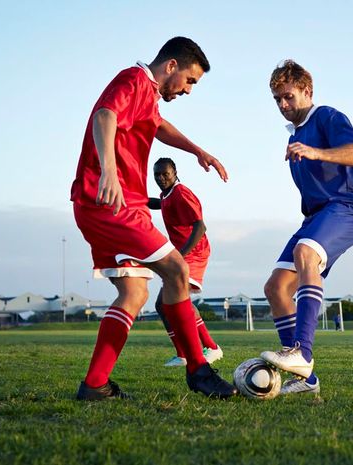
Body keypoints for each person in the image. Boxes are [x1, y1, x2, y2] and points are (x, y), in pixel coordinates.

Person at [70, 37, 237, 400]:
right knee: (177, 271)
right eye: (190, 81)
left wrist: (198, 151)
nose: (189, 90)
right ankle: (198, 369)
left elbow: (158, 126)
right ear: (172, 66)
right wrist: (109, 171)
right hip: (111, 204)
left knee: (134, 292)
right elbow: (104, 116)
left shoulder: (147, 95)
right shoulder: (133, 80)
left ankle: (95, 385)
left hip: (107, 204)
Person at [260, 60, 353, 395]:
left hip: (350, 208)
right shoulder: (295, 134)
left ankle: (302, 354)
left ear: (307, 92)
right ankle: (305, 380)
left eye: (288, 97)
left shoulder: (326, 117)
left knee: (305, 252)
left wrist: (314, 152)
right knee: (277, 289)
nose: (282, 105)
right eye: (277, 99)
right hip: (318, 217)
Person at [148, 157, 223, 368]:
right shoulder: (168, 194)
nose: (161, 178)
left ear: (175, 172)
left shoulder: (182, 193)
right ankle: (182, 354)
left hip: (194, 253)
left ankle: (211, 347)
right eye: (157, 175)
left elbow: (200, 227)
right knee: (163, 305)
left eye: (165, 174)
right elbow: (160, 203)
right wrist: (135, 199)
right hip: (183, 254)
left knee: (176, 302)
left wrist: (180, 255)